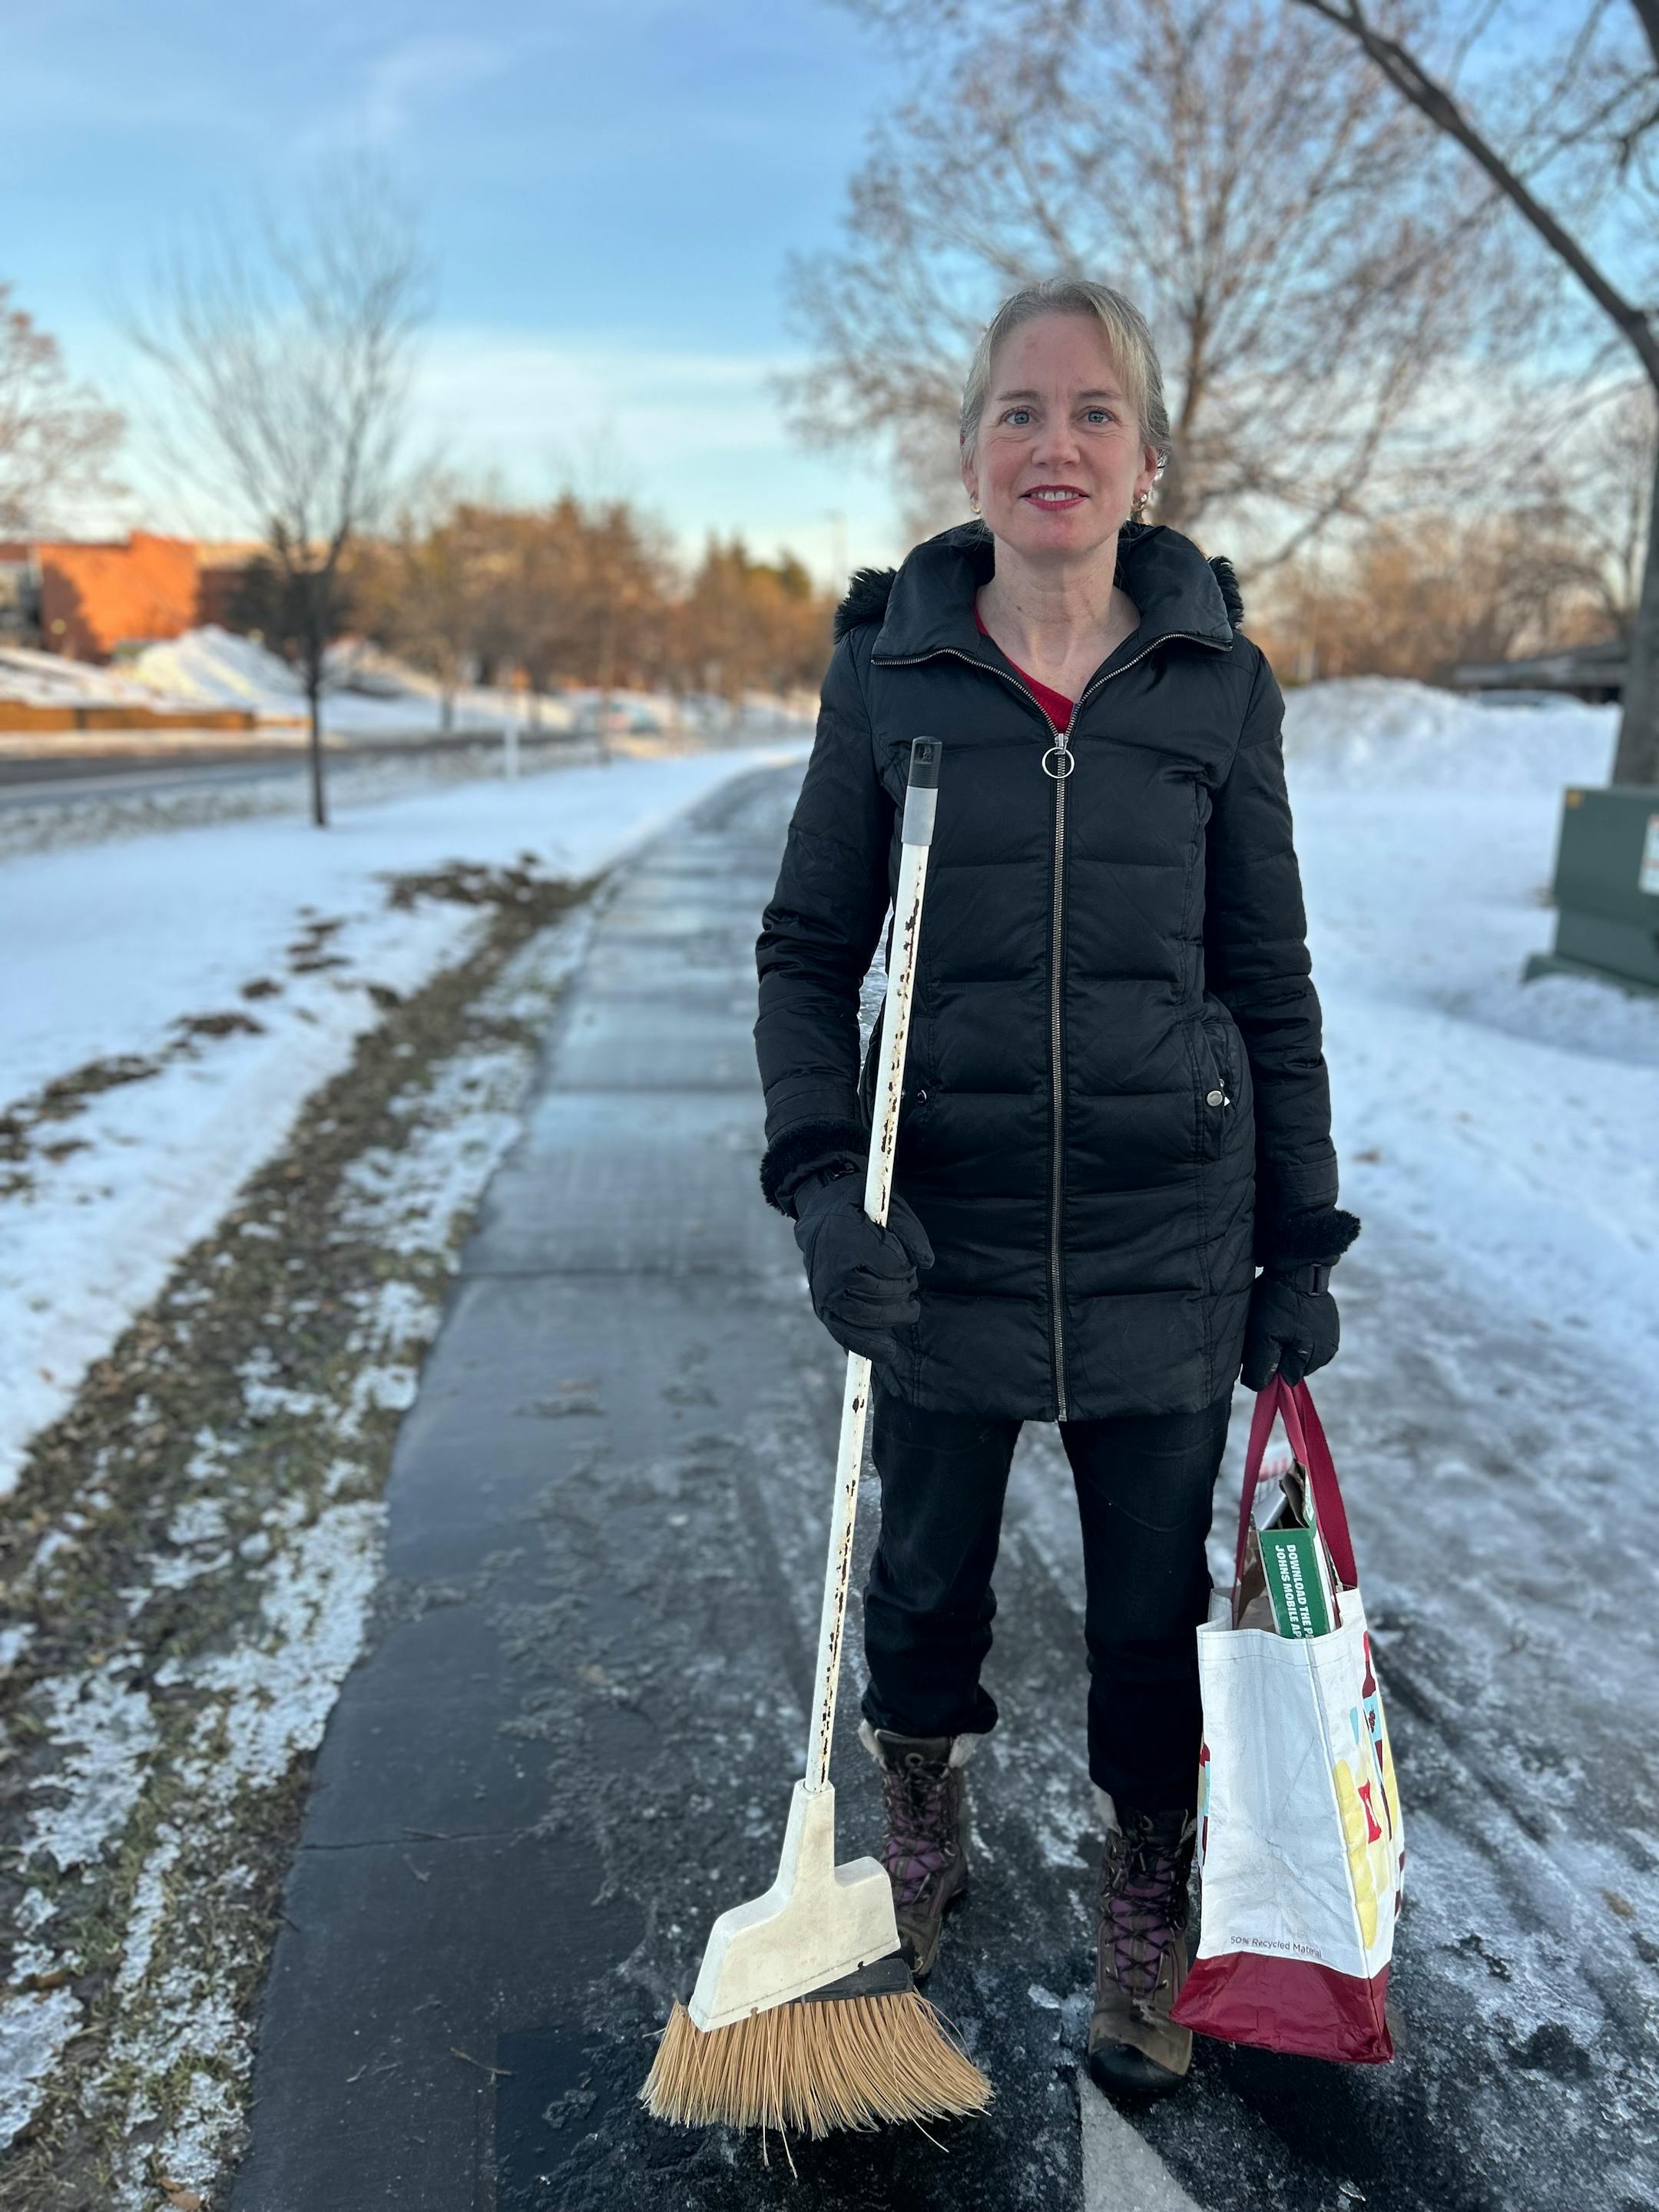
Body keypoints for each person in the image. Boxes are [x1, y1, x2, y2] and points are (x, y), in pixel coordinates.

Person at [752, 278, 1358, 2100]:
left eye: (1094, 413)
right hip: (937, 1235)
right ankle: (919, 1820)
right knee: (923, 1585)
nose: (1056, 445)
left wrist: (1299, 1235)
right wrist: (817, 1188)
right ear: (968, 453)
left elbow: (1271, 974)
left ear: (1149, 457)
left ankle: (1149, 1894)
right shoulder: (892, 680)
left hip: (1163, 1238)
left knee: (1145, 1612)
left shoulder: (1218, 690)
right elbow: (804, 952)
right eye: (1020, 413)